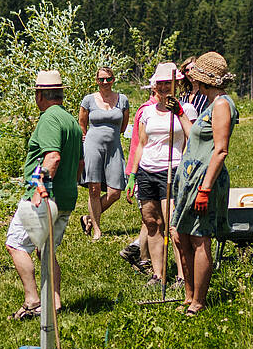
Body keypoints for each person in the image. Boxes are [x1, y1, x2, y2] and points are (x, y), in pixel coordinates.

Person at [7, 70, 84, 321]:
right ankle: (55, 302)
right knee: (46, 250)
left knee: (16, 243)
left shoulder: (49, 119)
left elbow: (53, 157)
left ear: (40, 95)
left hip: (43, 196)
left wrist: (40, 189)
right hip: (66, 196)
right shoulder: (71, 121)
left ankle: (33, 301)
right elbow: (80, 164)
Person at [173, 52, 235, 316]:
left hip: (203, 180)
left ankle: (199, 301)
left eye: (196, 78)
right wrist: (179, 114)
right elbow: (197, 137)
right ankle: (189, 295)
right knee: (181, 235)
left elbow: (220, 150)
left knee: (199, 239)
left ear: (207, 81)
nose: (192, 81)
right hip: (190, 178)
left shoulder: (222, 105)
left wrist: (205, 188)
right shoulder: (211, 104)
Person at [122, 63, 195, 286]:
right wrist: (133, 175)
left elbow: (192, 138)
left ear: (177, 84)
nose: (164, 88)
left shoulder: (186, 110)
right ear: (154, 86)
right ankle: (158, 274)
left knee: (173, 224)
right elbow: (141, 144)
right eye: (160, 84)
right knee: (152, 222)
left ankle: (183, 275)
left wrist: (179, 113)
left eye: (168, 84)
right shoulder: (147, 112)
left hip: (172, 170)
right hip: (147, 171)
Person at [77, 67, 130, 241]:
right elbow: (82, 123)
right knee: (94, 188)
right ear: (97, 81)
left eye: (108, 79)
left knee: (115, 192)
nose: (105, 83)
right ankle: (97, 229)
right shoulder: (89, 100)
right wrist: (85, 140)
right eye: (101, 79)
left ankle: (88, 218)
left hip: (114, 146)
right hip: (93, 145)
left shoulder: (122, 99)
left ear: (114, 80)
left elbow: (123, 126)